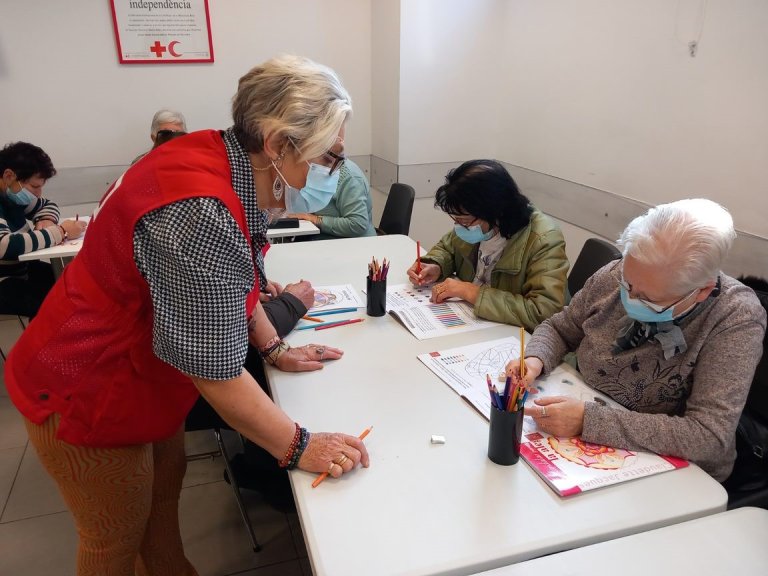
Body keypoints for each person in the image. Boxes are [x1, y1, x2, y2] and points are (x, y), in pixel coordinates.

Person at [5, 55, 370, 575]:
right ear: (277, 143)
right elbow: (215, 370)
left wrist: (275, 349)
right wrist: (301, 447)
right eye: (326, 157)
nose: (331, 171)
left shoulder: (216, 156)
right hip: (89, 386)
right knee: (113, 544)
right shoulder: (200, 206)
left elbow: (233, 281)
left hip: (143, 379)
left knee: (159, 522)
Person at [505, 199, 767, 482]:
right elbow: (560, 327)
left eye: (648, 298)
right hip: (586, 422)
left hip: (671, 469)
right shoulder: (620, 272)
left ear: (701, 291)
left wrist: (587, 420)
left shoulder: (735, 317)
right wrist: (535, 359)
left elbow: (708, 435)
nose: (630, 297)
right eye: (627, 284)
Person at [406, 159, 568, 332]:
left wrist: (472, 292)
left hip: (518, 339)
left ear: (496, 210)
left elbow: (543, 312)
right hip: (475, 323)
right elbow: (448, 248)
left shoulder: (543, 239)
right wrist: (435, 265)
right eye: (456, 220)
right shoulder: (476, 225)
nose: (460, 227)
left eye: (465, 221)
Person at [0, 142, 86, 317]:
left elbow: (47, 205)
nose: (38, 193)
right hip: (4, 279)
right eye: (35, 186)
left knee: (71, 284)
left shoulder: (11, 194)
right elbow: (5, 246)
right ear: (9, 175)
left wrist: (46, 219)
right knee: (57, 304)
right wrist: (61, 231)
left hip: (19, 270)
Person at [287, 158, 376, 239]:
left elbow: (357, 224)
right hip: (318, 238)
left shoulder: (350, 178)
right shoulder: (315, 167)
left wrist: (316, 220)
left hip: (352, 245)